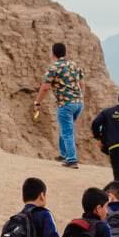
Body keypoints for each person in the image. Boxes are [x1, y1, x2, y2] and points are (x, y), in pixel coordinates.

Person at [33, 41, 89, 169]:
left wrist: (37, 102)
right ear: (65, 52)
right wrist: (80, 97)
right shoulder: (74, 65)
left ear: (53, 53)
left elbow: (45, 87)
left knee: (67, 131)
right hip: (78, 104)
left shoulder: (53, 68)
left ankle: (72, 159)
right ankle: (64, 154)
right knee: (65, 128)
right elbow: (82, 83)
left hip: (66, 104)